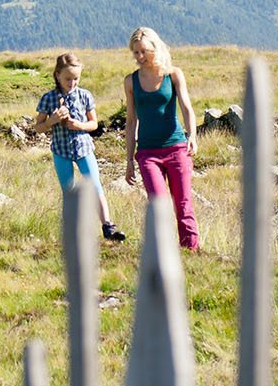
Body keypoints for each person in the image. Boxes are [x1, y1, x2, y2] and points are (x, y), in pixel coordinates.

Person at [121, 27, 200, 251]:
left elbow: (186, 108)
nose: (139, 57)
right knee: (158, 204)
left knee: (183, 203)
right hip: (147, 153)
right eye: (135, 53)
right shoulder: (131, 81)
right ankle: (164, 253)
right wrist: (129, 161)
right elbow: (130, 121)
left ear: (155, 47)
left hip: (176, 148)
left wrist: (192, 135)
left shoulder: (173, 74)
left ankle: (191, 251)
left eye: (143, 51)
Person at [35, 52, 125, 242]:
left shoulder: (85, 96)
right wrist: (52, 120)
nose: (72, 83)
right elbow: (38, 127)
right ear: (57, 75)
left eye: (76, 78)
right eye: (68, 78)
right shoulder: (49, 98)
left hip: (83, 148)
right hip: (61, 151)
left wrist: (79, 126)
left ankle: (108, 226)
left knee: (95, 185)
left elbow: (94, 124)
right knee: (69, 190)